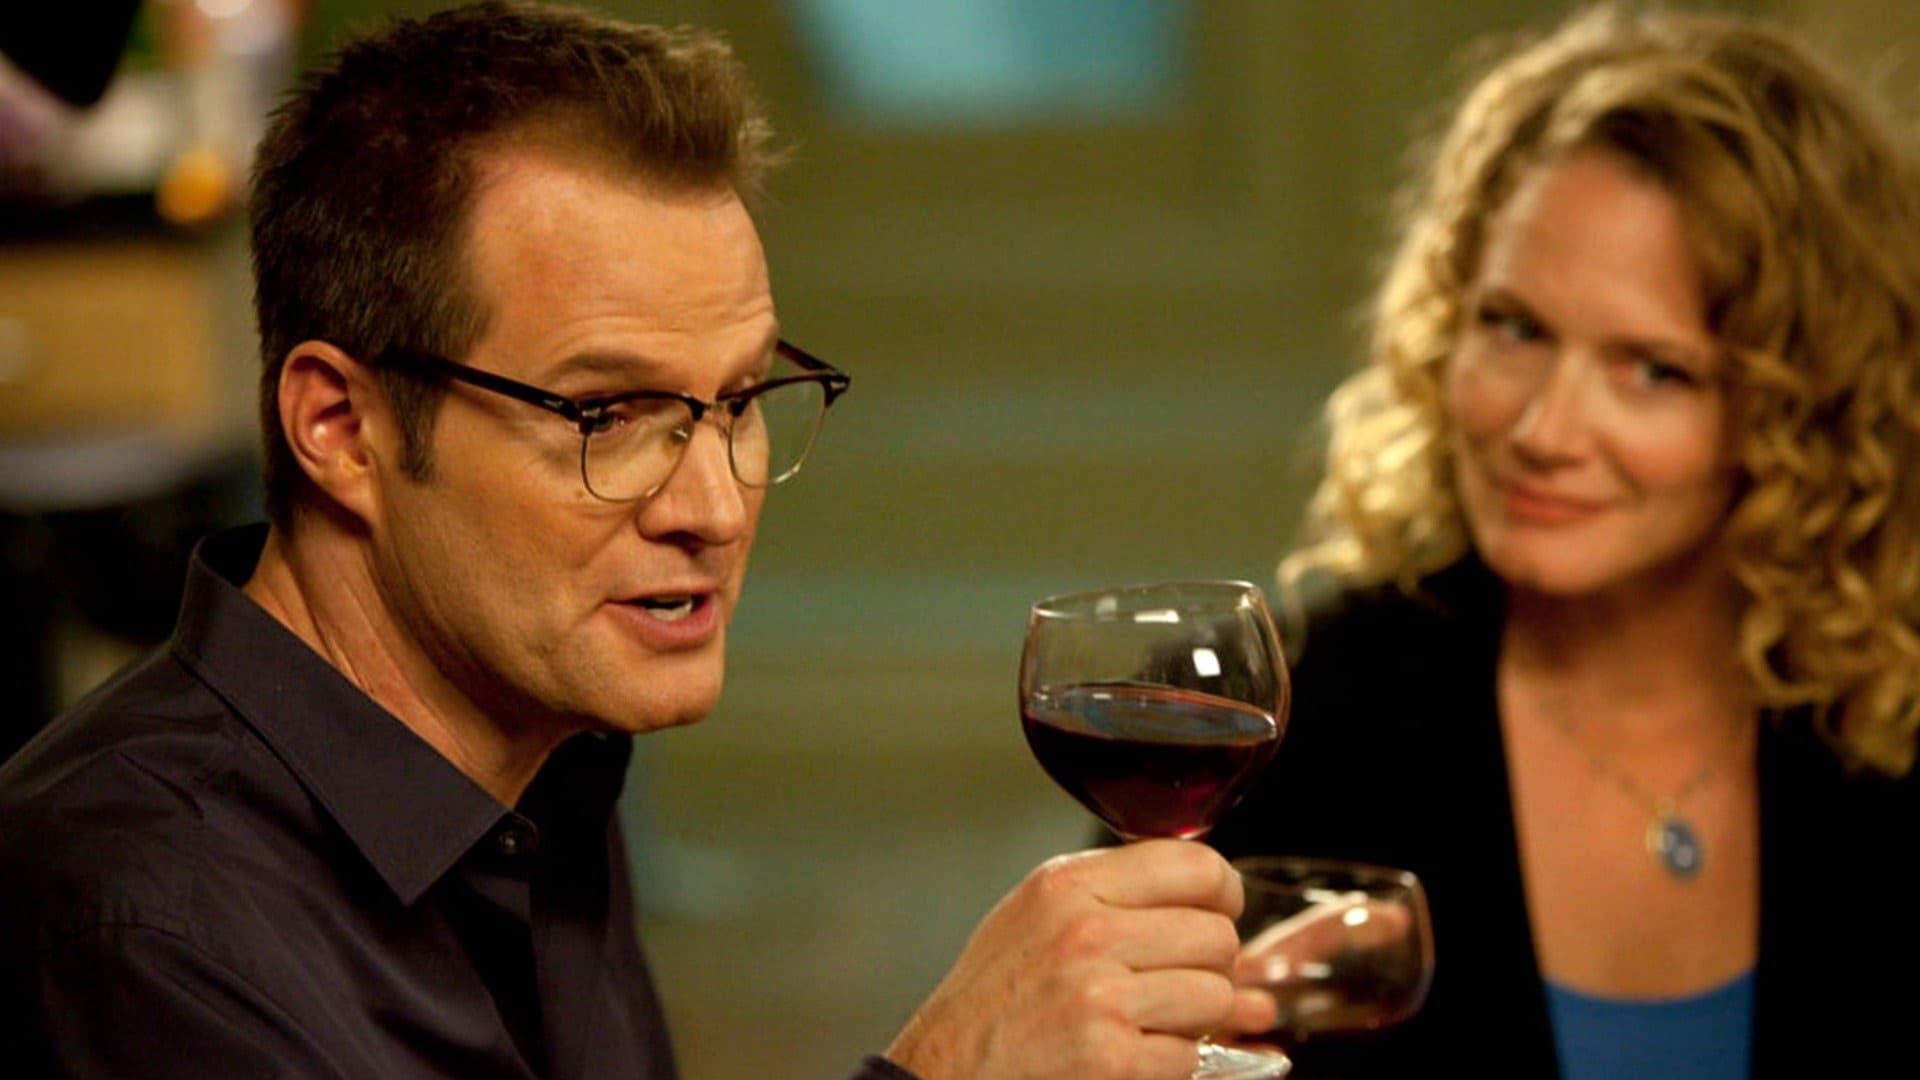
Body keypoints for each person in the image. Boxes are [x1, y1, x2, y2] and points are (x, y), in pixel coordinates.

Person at [0, 3, 1273, 1077]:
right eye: (607, 415)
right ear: (340, 426)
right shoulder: (142, 928)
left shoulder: (543, 767)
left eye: (740, 401)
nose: (712, 507)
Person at [1207, 4, 1920, 1077]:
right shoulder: (1286, 731)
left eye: (1653, 370)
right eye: (1515, 327)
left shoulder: (1891, 722)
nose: (1542, 429)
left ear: (1803, 407)